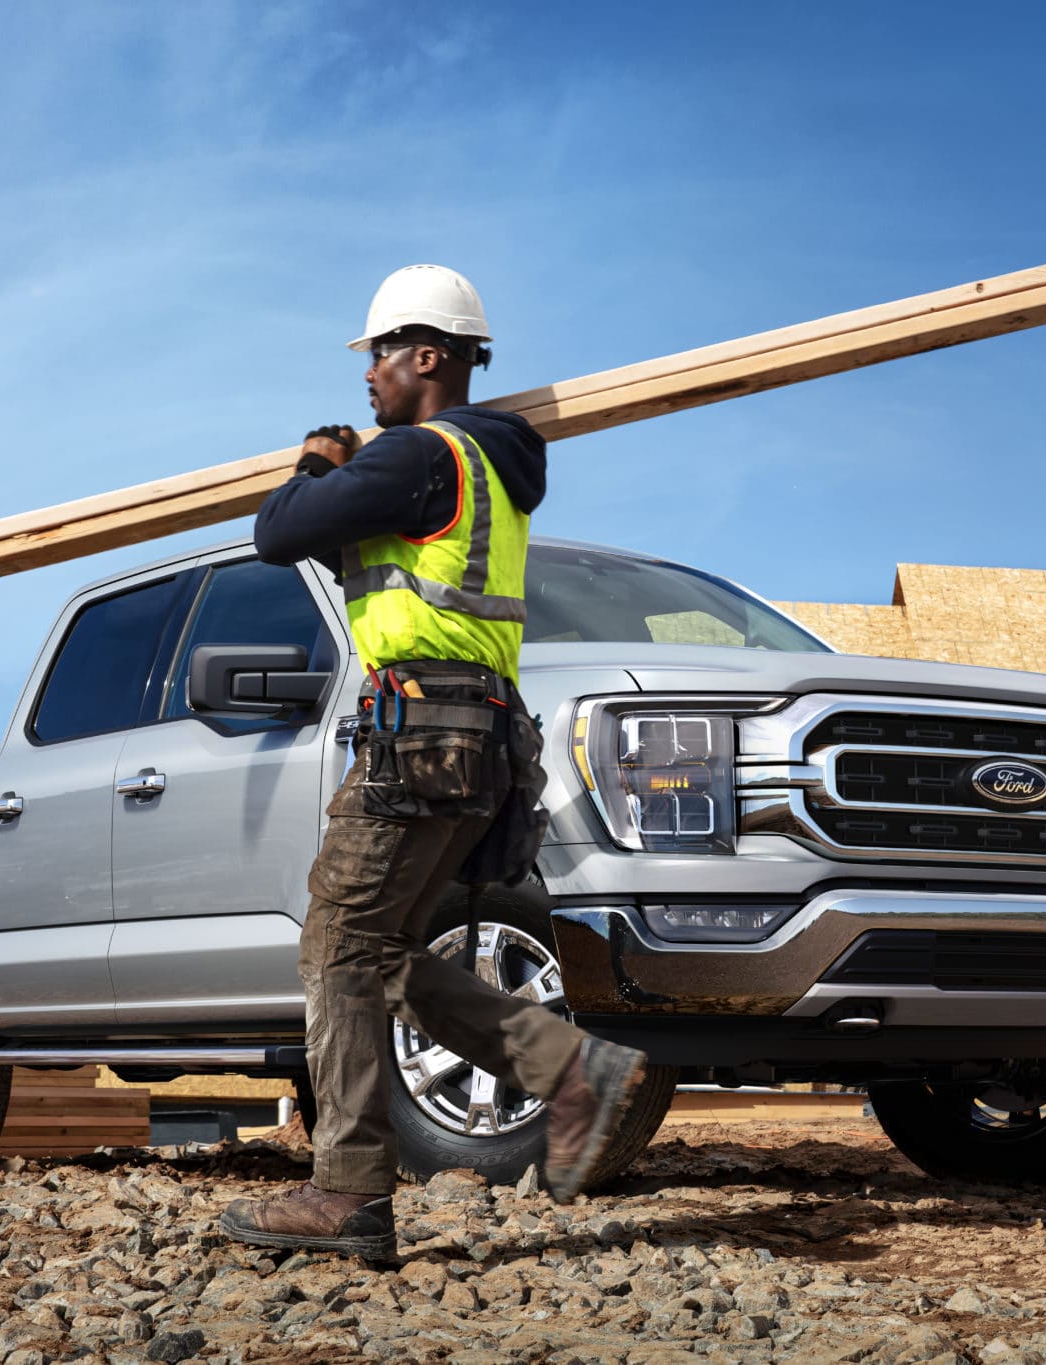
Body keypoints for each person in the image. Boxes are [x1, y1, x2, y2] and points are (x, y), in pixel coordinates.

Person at [221, 265, 648, 1259]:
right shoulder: (483, 468)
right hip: (475, 737)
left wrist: (314, 460)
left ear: (426, 355)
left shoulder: (419, 455)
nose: (367, 372)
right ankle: (567, 1067)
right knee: (378, 954)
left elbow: (276, 532)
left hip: (418, 732)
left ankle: (347, 1192)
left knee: (336, 948)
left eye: (379, 353)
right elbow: (354, 551)